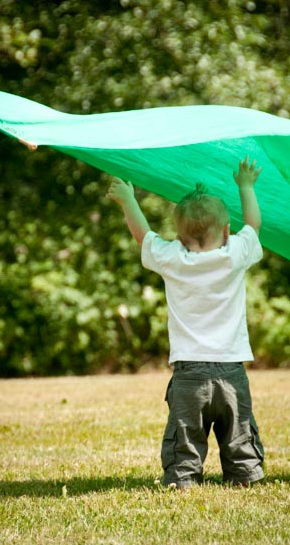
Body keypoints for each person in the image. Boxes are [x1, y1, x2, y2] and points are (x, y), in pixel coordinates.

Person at [105, 156, 265, 488]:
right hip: (231, 368)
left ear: (178, 237)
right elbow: (253, 225)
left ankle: (182, 477)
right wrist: (246, 186)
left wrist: (129, 200)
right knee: (239, 431)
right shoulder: (235, 253)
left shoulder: (172, 257)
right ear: (226, 231)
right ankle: (244, 475)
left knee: (185, 433)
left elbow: (144, 236)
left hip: (189, 372)